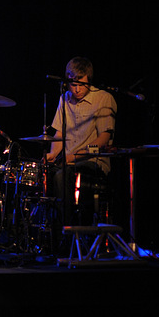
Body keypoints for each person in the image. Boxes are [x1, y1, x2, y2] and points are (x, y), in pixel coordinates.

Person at [45, 57, 117, 225]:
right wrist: (53, 153)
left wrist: (74, 156)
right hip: (68, 161)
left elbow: (103, 140)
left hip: (93, 162)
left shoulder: (103, 98)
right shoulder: (64, 99)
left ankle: (69, 230)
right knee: (44, 173)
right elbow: (59, 134)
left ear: (89, 81)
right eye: (72, 84)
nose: (76, 89)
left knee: (62, 175)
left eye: (81, 84)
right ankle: (48, 231)